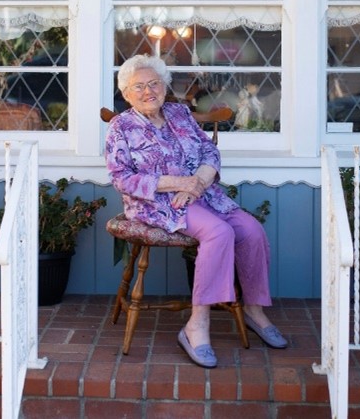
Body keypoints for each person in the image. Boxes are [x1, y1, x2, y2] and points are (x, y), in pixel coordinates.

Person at [104, 54, 287, 369]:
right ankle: (196, 323)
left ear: (164, 86)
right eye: (139, 87)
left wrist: (199, 182)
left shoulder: (178, 113)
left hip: (203, 195)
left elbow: (208, 150)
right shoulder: (121, 127)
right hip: (158, 203)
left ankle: (255, 310)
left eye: (155, 83)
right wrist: (178, 183)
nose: (149, 91)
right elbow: (122, 178)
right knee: (219, 232)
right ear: (126, 93)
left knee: (251, 230)